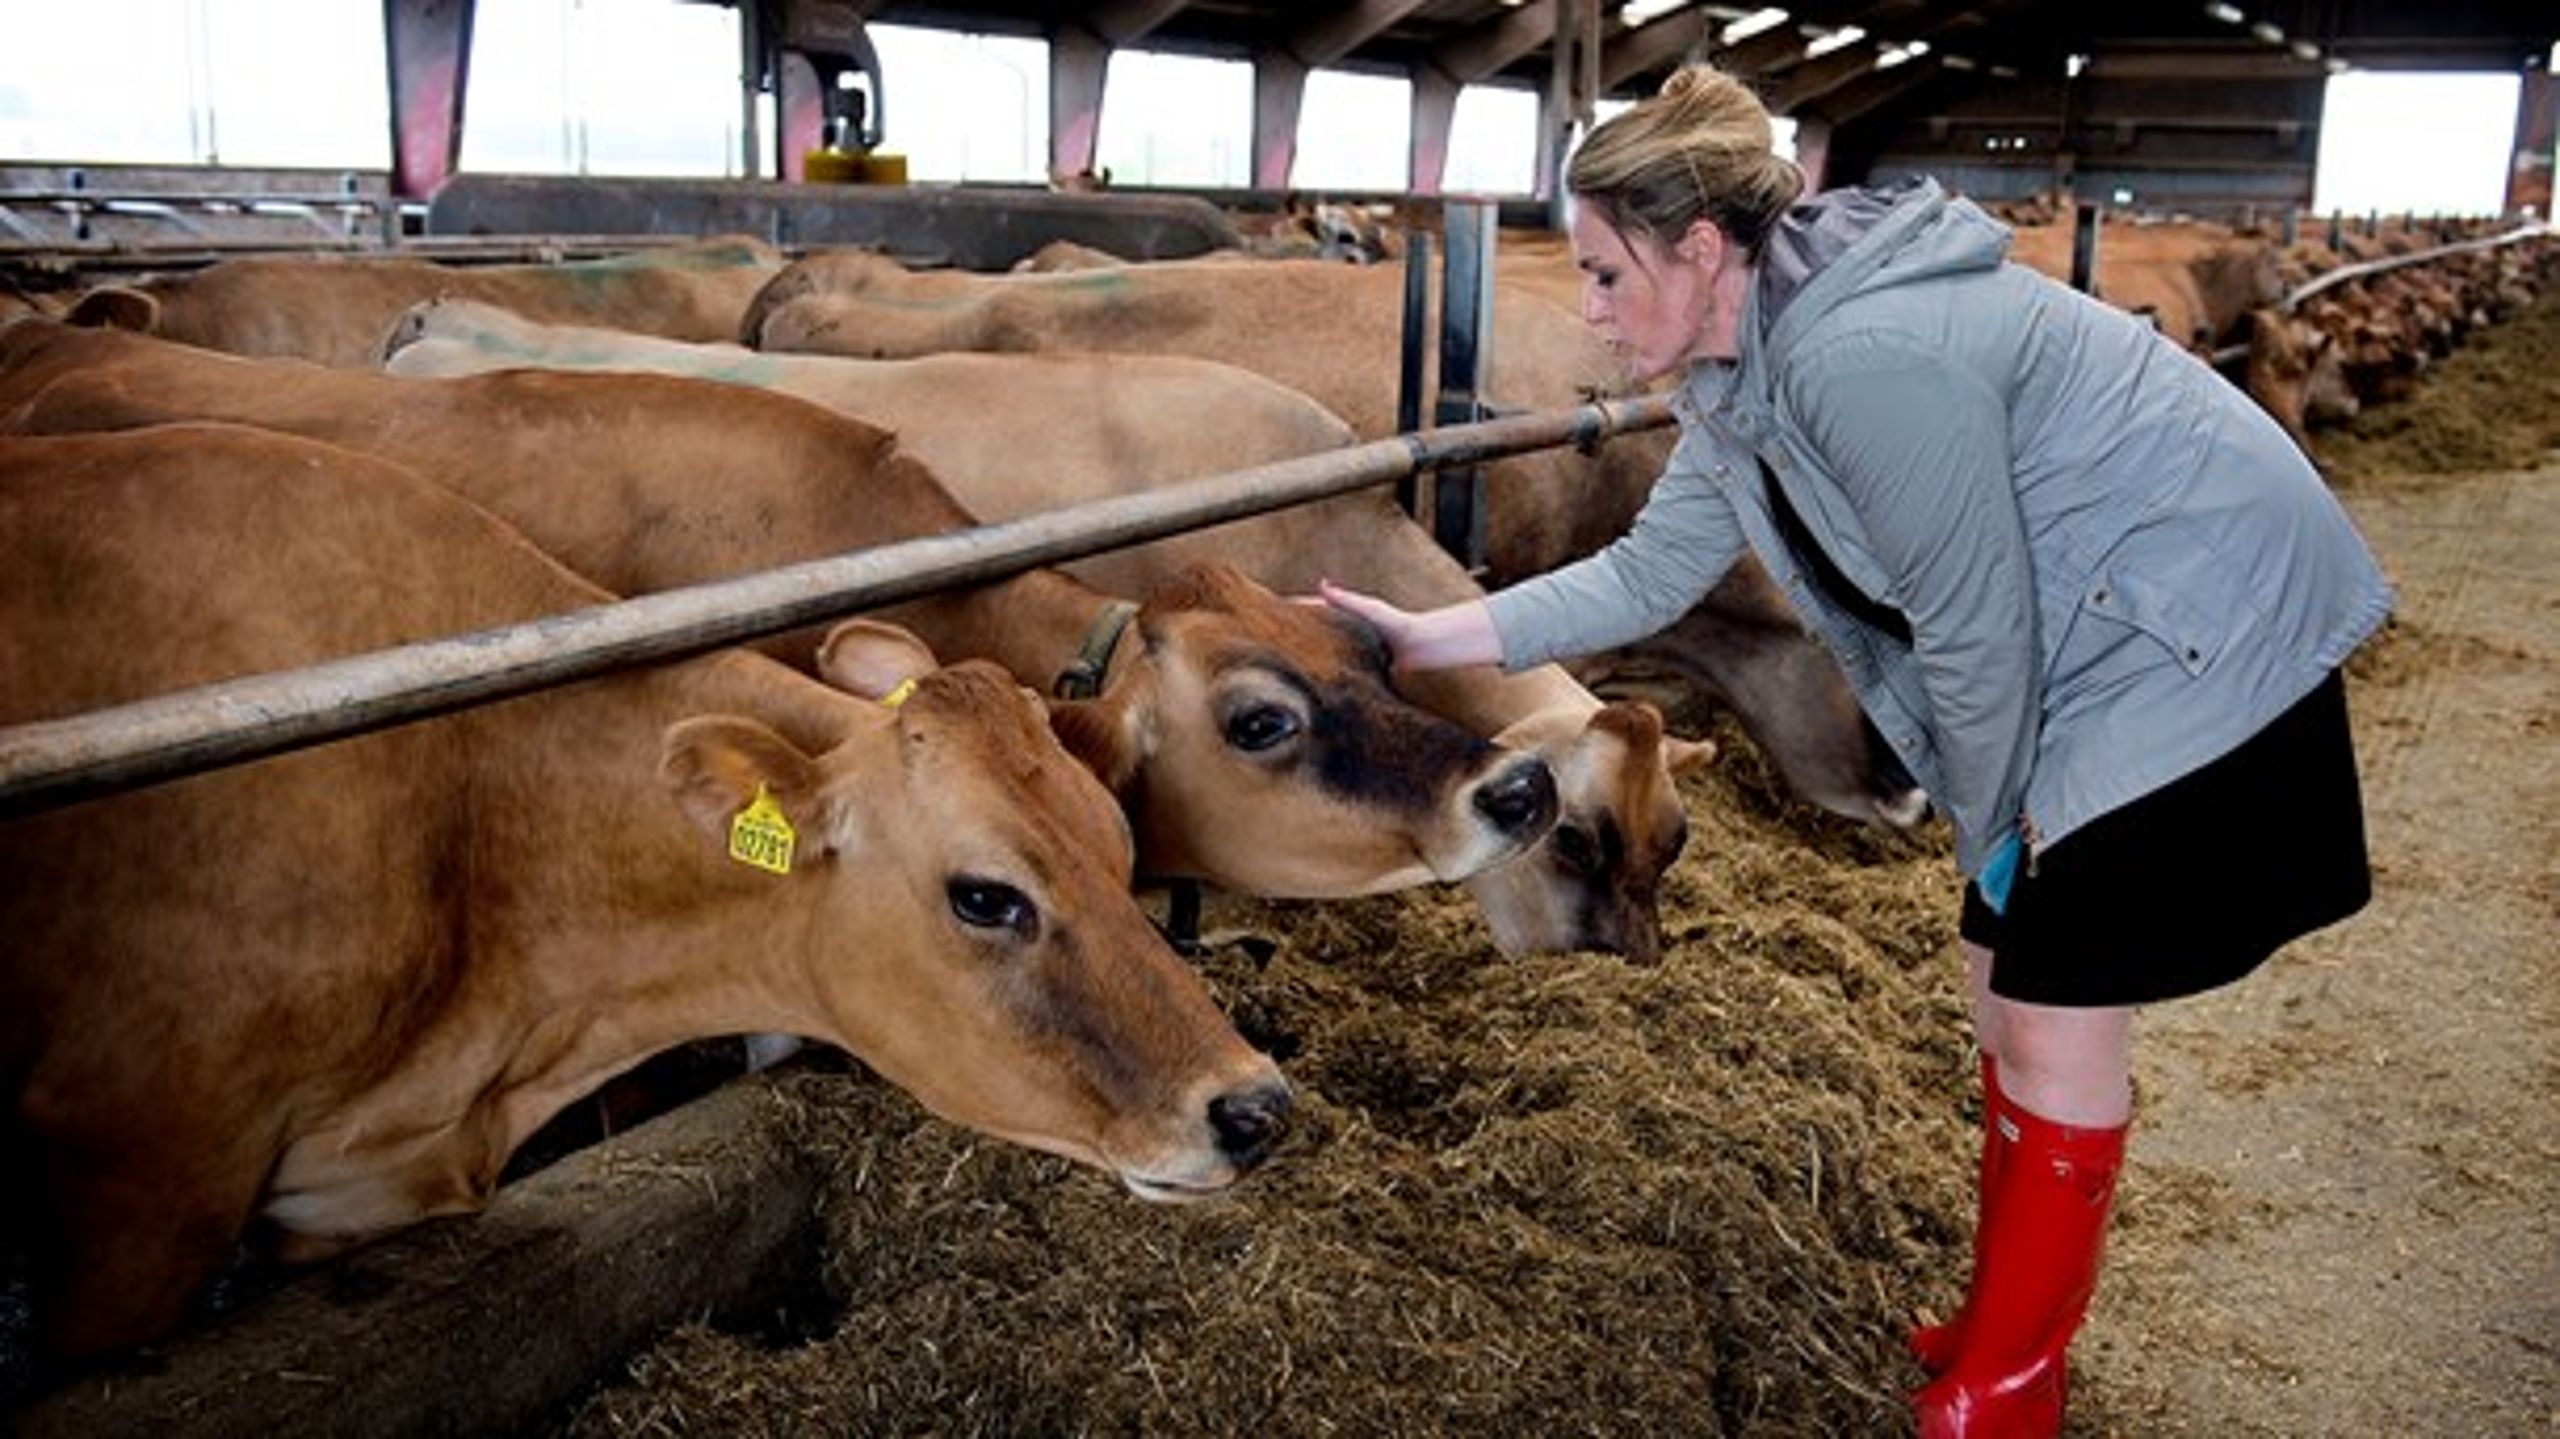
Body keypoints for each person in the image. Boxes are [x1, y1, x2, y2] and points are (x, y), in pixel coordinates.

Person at [1319, 64, 2391, 1439]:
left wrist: (1995, 824)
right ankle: (2006, 1330)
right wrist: (1426, 635)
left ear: (1699, 250)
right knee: (1996, 974)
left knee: (2055, 1012)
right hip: (2103, 634)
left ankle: (2004, 1393)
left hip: (2193, 639)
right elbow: (1648, 575)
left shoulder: (1861, 360)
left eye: (1602, 273)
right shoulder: (1746, 369)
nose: (1586, 309)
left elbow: (1976, 627)